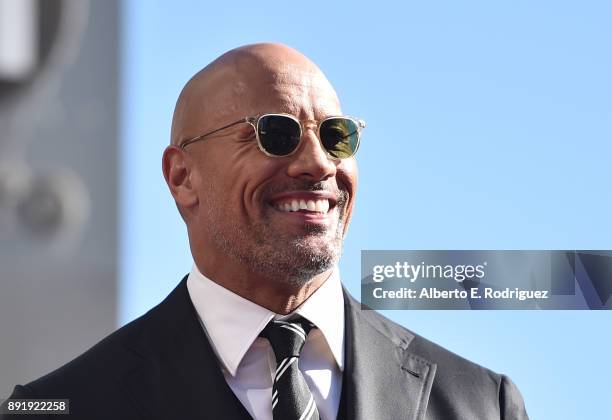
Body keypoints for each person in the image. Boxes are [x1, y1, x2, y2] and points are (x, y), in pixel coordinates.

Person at [2, 43, 528, 420]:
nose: (318, 163)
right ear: (183, 177)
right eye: (278, 133)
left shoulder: (481, 404)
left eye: (336, 136)